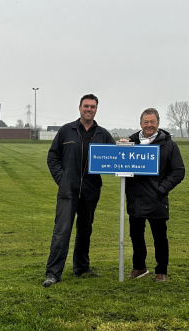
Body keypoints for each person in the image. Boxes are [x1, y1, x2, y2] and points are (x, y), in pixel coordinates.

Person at [43, 94, 115, 287]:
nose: (89, 109)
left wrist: (124, 146)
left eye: (92, 107)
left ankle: (81, 268)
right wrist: (62, 180)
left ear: (96, 109)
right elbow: (52, 157)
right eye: (86, 106)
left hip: (91, 191)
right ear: (80, 108)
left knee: (85, 230)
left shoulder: (103, 134)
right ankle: (53, 273)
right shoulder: (67, 131)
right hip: (68, 191)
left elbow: (114, 158)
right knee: (62, 231)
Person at [122, 108, 185, 282]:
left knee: (159, 237)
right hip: (135, 198)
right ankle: (139, 267)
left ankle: (161, 271)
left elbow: (178, 171)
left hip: (157, 199)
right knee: (136, 235)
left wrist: (161, 189)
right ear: (140, 123)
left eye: (152, 122)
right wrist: (121, 145)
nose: (149, 125)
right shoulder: (131, 143)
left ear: (158, 123)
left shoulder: (169, 145)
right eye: (145, 122)